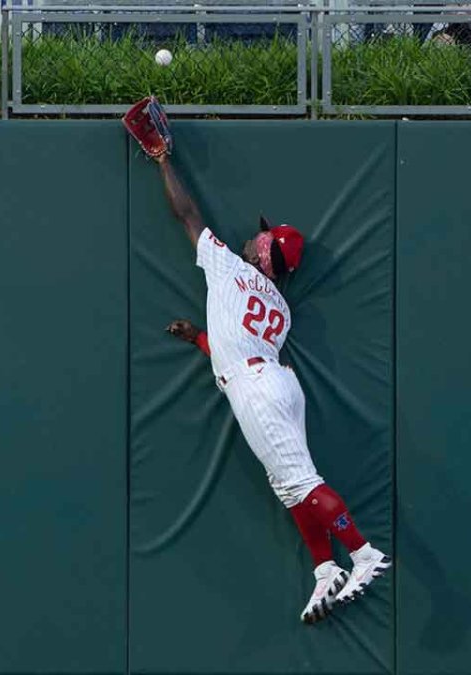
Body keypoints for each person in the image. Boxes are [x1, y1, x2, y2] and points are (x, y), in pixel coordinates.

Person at [151, 151, 390, 625]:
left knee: (301, 481)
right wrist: (199, 337)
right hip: (271, 380)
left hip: (257, 388)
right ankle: (325, 568)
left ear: (264, 252)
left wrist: (161, 158)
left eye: (262, 234)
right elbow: (235, 348)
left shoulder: (228, 267)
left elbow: (186, 213)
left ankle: (364, 555)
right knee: (287, 487)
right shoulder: (279, 305)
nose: (254, 233)